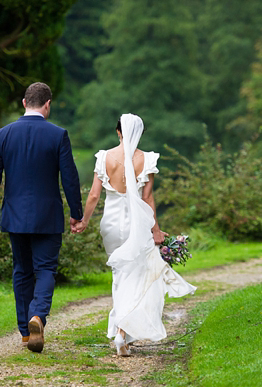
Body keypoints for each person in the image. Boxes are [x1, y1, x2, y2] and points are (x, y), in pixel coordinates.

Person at [75, 113, 196, 356]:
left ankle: (123, 335)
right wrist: (156, 230)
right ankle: (122, 332)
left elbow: (94, 196)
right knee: (136, 277)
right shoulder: (146, 159)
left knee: (120, 275)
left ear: (118, 132)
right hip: (136, 224)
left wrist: (83, 220)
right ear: (138, 134)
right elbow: (147, 198)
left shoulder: (104, 157)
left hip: (111, 223)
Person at [0, 82, 83, 353]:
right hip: (47, 217)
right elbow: (70, 179)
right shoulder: (58, 135)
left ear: (24, 103)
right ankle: (38, 315)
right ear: (47, 104)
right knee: (46, 269)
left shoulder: (2, 135)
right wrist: (76, 214)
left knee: (22, 271)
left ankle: (26, 332)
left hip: (14, 217)